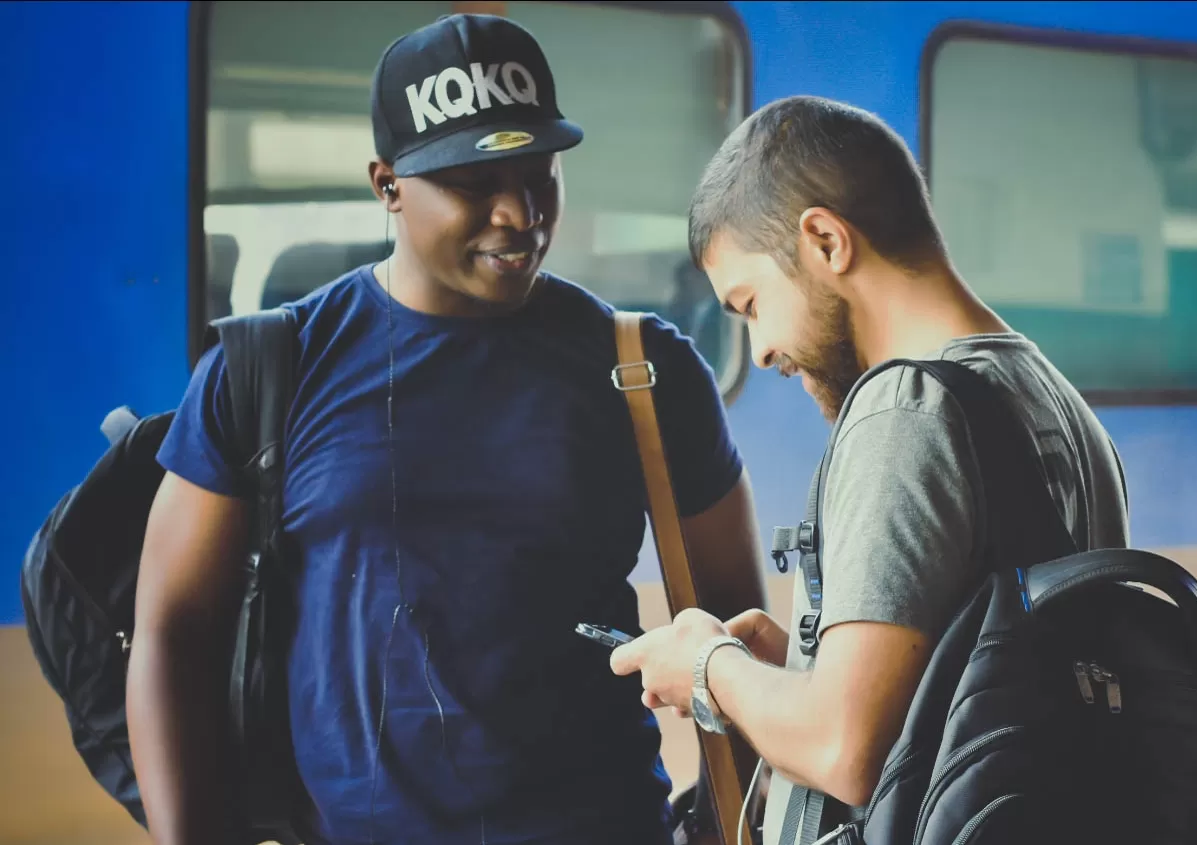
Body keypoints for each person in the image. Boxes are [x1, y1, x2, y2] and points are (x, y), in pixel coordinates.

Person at [126, 14, 766, 845]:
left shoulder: (646, 371)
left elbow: (740, 628)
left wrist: (736, 824)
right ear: (387, 184)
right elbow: (173, 631)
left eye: (539, 173)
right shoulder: (268, 369)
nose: (518, 211)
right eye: (472, 181)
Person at [611, 95, 1130, 839]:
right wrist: (789, 667)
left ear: (824, 240)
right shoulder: (1049, 394)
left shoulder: (904, 409)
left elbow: (845, 749)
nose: (759, 349)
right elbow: (978, 681)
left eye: (752, 302)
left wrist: (707, 664)